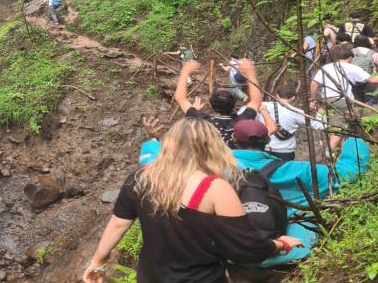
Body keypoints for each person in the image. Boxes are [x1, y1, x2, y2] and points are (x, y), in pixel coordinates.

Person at [139, 117, 370, 277]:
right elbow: (346, 174)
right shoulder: (299, 170)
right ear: (267, 141)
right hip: (291, 249)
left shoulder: (210, 171)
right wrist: (354, 140)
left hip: (227, 254)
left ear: (232, 141)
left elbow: (155, 165)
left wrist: (153, 140)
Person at [82, 118, 304, 283]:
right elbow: (246, 246)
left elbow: (118, 223)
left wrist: (98, 262)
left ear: (169, 144)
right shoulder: (215, 188)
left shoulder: (141, 180)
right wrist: (281, 244)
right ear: (213, 146)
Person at [310, 43, 378, 149]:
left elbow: (314, 84)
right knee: (341, 128)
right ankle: (330, 152)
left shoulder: (326, 67)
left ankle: (339, 151)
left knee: (335, 124)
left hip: (326, 100)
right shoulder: (351, 67)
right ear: (350, 57)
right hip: (342, 100)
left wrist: (313, 99)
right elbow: (373, 79)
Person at [174, 59, 263, 147]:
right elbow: (256, 101)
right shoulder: (241, 122)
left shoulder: (204, 121)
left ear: (212, 105)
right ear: (234, 104)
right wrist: (250, 73)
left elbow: (180, 98)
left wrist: (185, 72)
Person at [257, 84, 326, 161]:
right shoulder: (297, 112)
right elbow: (320, 126)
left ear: (277, 95)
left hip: (263, 148)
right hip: (285, 152)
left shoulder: (262, 106)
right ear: (293, 98)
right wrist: (320, 112)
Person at [351, 35, 378, 106]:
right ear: (368, 42)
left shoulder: (350, 53)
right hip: (371, 80)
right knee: (371, 104)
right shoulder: (374, 54)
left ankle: (359, 116)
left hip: (354, 81)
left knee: (357, 104)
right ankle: (370, 116)